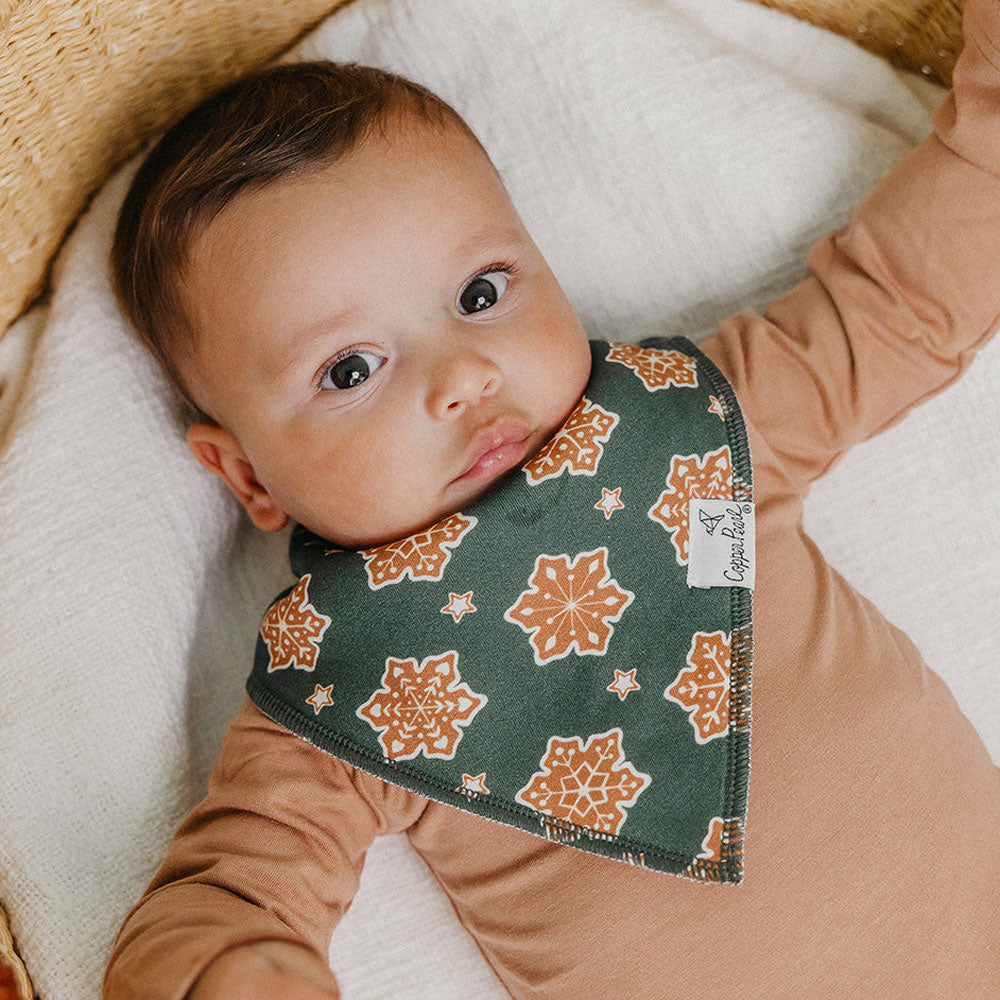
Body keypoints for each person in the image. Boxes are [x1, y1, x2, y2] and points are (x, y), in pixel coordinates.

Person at [103, 0, 1000, 995]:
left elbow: (900, 302)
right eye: (351, 369)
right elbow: (240, 881)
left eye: (480, 295)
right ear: (248, 477)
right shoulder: (345, 680)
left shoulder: (693, 434)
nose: (461, 374)